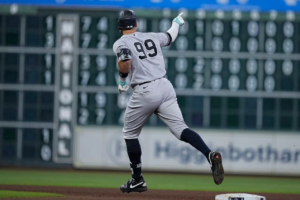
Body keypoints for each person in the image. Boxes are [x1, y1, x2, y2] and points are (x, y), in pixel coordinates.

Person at [113, 9, 224, 193]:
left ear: (119, 27)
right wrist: (177, 23)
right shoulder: (152, 36)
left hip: (145, 90)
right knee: (181, 129)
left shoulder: (120, 42)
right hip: (165, 86)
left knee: (130, 134)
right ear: (136, 24)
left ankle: (137, 180)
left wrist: (123, 79)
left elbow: (125, 59)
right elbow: (170, 36)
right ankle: (209, 154)